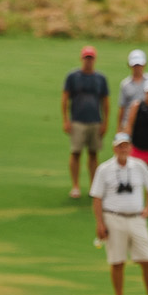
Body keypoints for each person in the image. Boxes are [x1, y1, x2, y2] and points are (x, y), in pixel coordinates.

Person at [90, 132, 148, 295]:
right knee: (117, 261)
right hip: (113, 218)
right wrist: (100, 223)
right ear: (114, 148)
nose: (123, 149)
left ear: (130, 147)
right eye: (120, 146)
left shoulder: (139, 166)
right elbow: (97, 198)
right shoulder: (104, 169)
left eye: (126, 145)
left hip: (136, 218)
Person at [61, 45, 109, 199]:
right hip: (78, 121)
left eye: (91, 58)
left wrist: (105, 122)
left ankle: (93, 187)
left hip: (95, 121)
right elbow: (65, 98)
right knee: (76, 153)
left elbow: (105, 102)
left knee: (93, 154)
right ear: (82, 59)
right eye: (86, 58)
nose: (88, 61)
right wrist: (66, 120)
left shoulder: (100, 78)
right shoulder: (73, 76)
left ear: (94, 59)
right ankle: (75, 186)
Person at [115, 48, 148, 138]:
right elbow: (122, 107)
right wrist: (119, 128)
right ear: (130, 65)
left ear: (145, 64)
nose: (137, 68)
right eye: (135, 65)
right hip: (129, 124)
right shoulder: (125, 84)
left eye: (139, 65)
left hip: (147, 123)